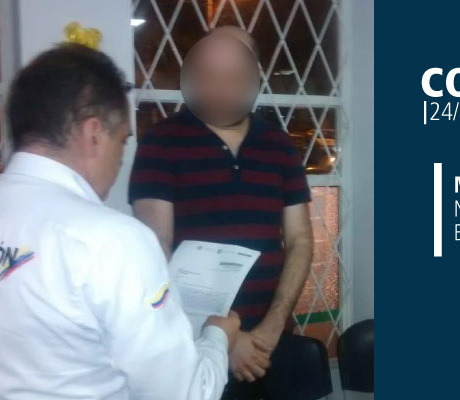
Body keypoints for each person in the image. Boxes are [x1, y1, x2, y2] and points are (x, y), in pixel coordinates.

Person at [0, 44, 240, 399]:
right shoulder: (113, 242)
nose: (120, 159)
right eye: (121, 141)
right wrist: (218, 338)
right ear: (94, 134)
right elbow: (184, 393)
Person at [130, 27, 326, 399]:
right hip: (198, 348)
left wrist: (272, 327)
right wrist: (224, 339)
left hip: (272, 343)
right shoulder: (162, 143)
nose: (221, 86)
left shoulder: (279, 145)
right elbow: (155, 249)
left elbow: (300, 240)